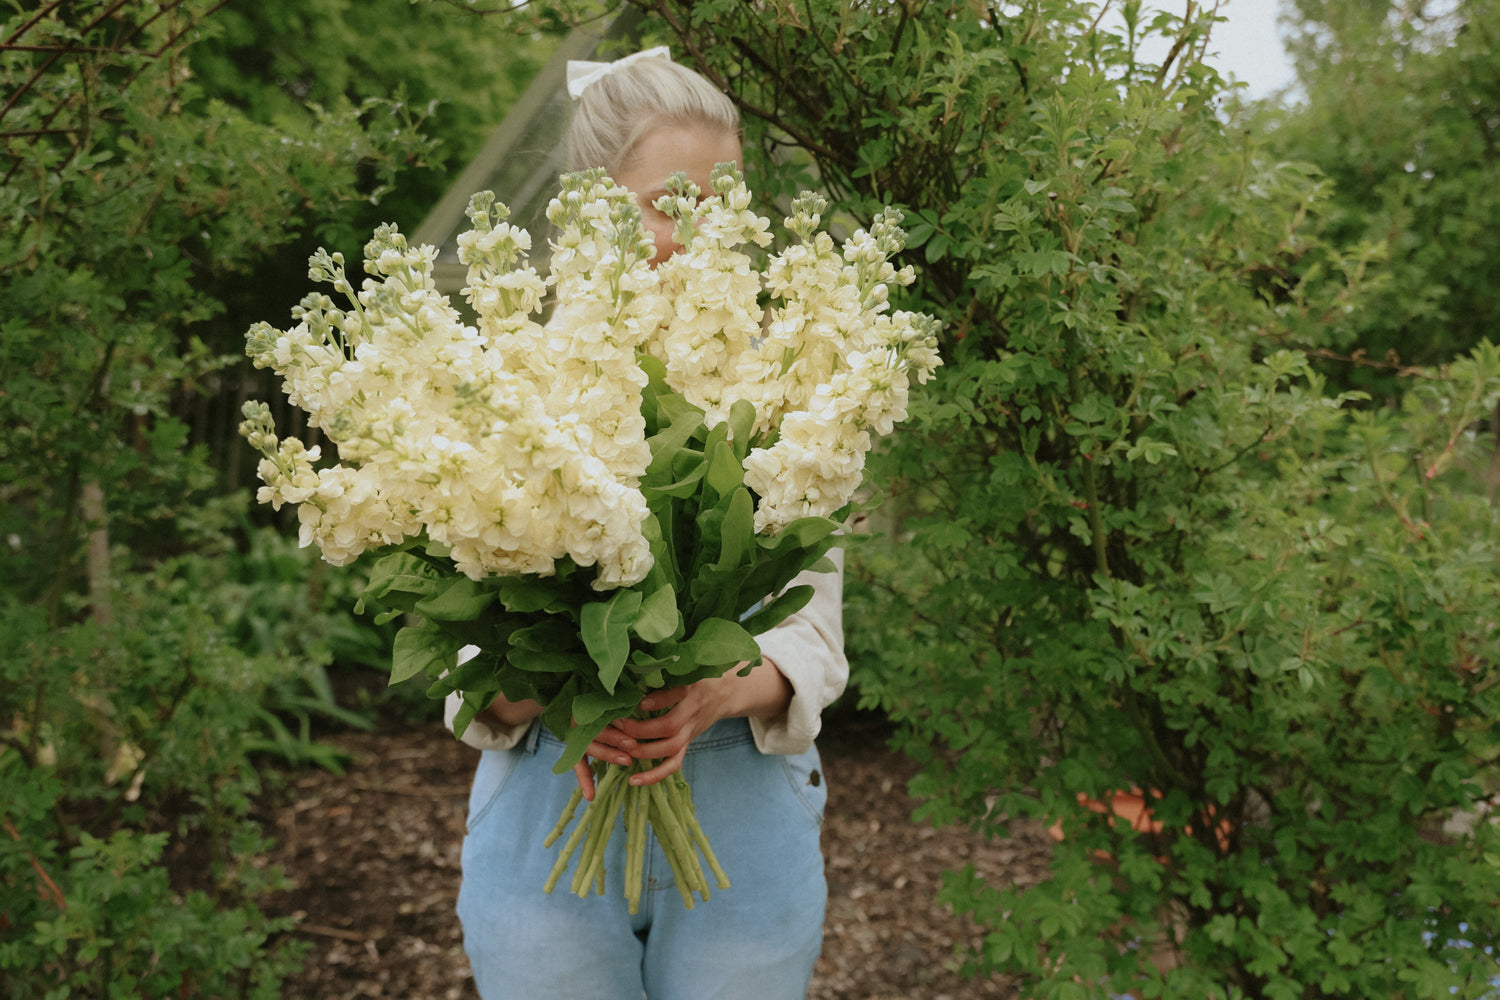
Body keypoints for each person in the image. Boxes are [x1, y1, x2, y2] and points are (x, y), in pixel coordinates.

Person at [445, 46, 849, 1000]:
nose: (701, 240)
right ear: (590, 204)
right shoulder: (505, 384)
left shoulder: (791, 388)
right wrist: (576, 689)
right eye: (670, 207)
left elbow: (816, 639)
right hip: (549, 802)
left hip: (743, 816)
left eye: (724, 210)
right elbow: (468, 678)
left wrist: (710, 688)